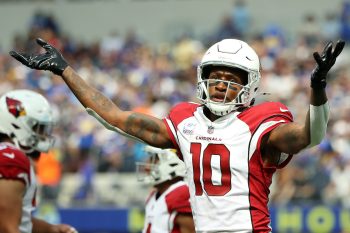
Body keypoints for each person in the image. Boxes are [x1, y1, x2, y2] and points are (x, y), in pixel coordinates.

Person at [9, 37, 345, 232]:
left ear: (250, 85)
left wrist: (317, 89)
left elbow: (309, 136)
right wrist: (65, 70)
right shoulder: (187, 121)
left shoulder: (263, 120)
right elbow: (113, 117)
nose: (221, 83)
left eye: (232, 78)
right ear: (202, 77)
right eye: (215, 76)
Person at [0, 89, 78, 233]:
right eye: (40, 129)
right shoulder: (11, 158)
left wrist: (51, 229)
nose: (44, 135)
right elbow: (7, 228)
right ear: (18, 125)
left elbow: (15, 218)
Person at [136, 146, 194, 233]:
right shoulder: (154, 194)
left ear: (172, 163)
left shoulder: (181, 193)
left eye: (154, 160)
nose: (147, 167)